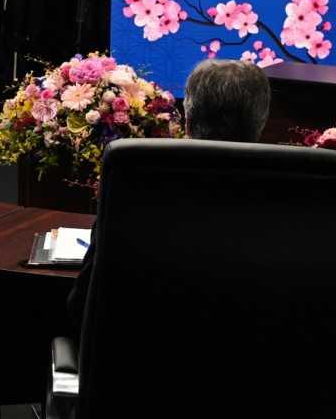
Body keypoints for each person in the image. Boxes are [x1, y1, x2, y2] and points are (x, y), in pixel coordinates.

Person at [65, 58, 270, 326]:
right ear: (261, 124)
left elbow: (80, 308)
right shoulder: (291, 201)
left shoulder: (134, 186)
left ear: (187, 120)